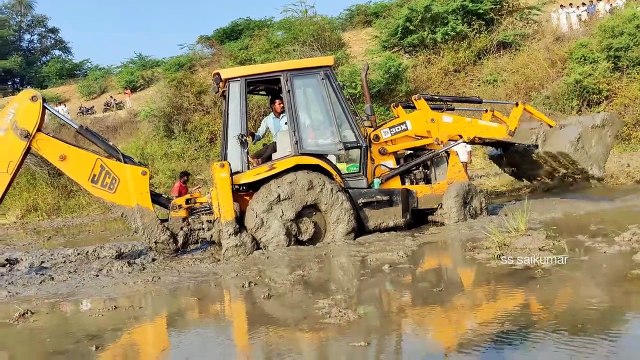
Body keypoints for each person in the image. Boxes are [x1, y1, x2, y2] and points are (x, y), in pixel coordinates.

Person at [247, 95, 287, 166]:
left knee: (273, 144)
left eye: (282, 103)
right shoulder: (268, 120)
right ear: (273, 106)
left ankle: (261, 160)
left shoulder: (288, 115)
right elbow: (259, 135)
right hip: (275, 146)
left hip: (287, 144)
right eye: (279, 104)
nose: (282, 105)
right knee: (266, 147)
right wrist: (252, 134)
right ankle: (251, 159)